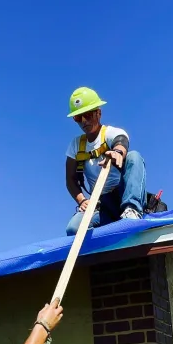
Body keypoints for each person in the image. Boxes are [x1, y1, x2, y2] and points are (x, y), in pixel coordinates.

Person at [64, 86, 147, 236]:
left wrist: (118, 152)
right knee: (73, 229)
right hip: (101, 204)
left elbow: (121, 139)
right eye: (78, 118)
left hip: (122, 193)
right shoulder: (76, 145)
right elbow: (70, 179)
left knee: (134, 156)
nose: (84, 121)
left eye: (88, 115)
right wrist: (82, 200)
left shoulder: (109, 133)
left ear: (99, 113)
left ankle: (132, 210)